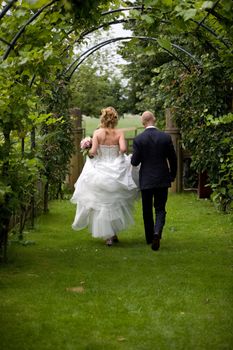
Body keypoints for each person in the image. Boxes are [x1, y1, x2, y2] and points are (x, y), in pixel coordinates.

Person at [71, 107, 138, 246]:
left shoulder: (97, 133)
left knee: (103, 204)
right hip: (116, 168)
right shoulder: (118, 133)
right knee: (114, 203)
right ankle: (112, 234)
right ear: (114, 119)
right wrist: (117, 150)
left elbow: (94, 152)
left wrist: (87, 150)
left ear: (102, 118)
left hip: (100, 169)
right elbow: (124, 149)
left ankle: (109, 235)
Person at [131, 111, 177, 251]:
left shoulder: (139, 139)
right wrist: (172, 175)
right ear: (154, 119)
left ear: (143, 122)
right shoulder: (165, 137)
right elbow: (173, 159)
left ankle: (150, 237)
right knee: (160, 209)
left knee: (147, 210)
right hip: (162, 178)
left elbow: (134, 161)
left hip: (146, 179)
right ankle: (157, 232)